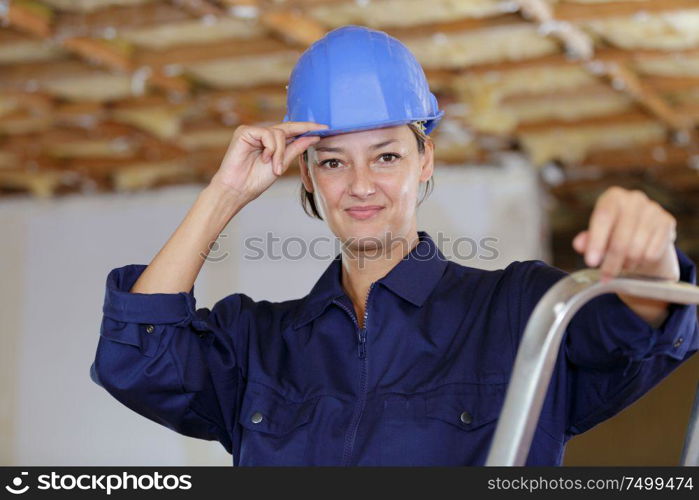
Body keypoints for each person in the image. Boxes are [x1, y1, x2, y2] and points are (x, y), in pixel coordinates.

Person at [90, 25, 699, 466]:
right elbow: (139, 359)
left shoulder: (520, 310)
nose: (359, 186)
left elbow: (637, 330)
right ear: (307, 175)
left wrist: (650, 259)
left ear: (424, 158)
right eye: (332, 162)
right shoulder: (257, 344)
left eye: (386, 156)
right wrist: (225, 192)